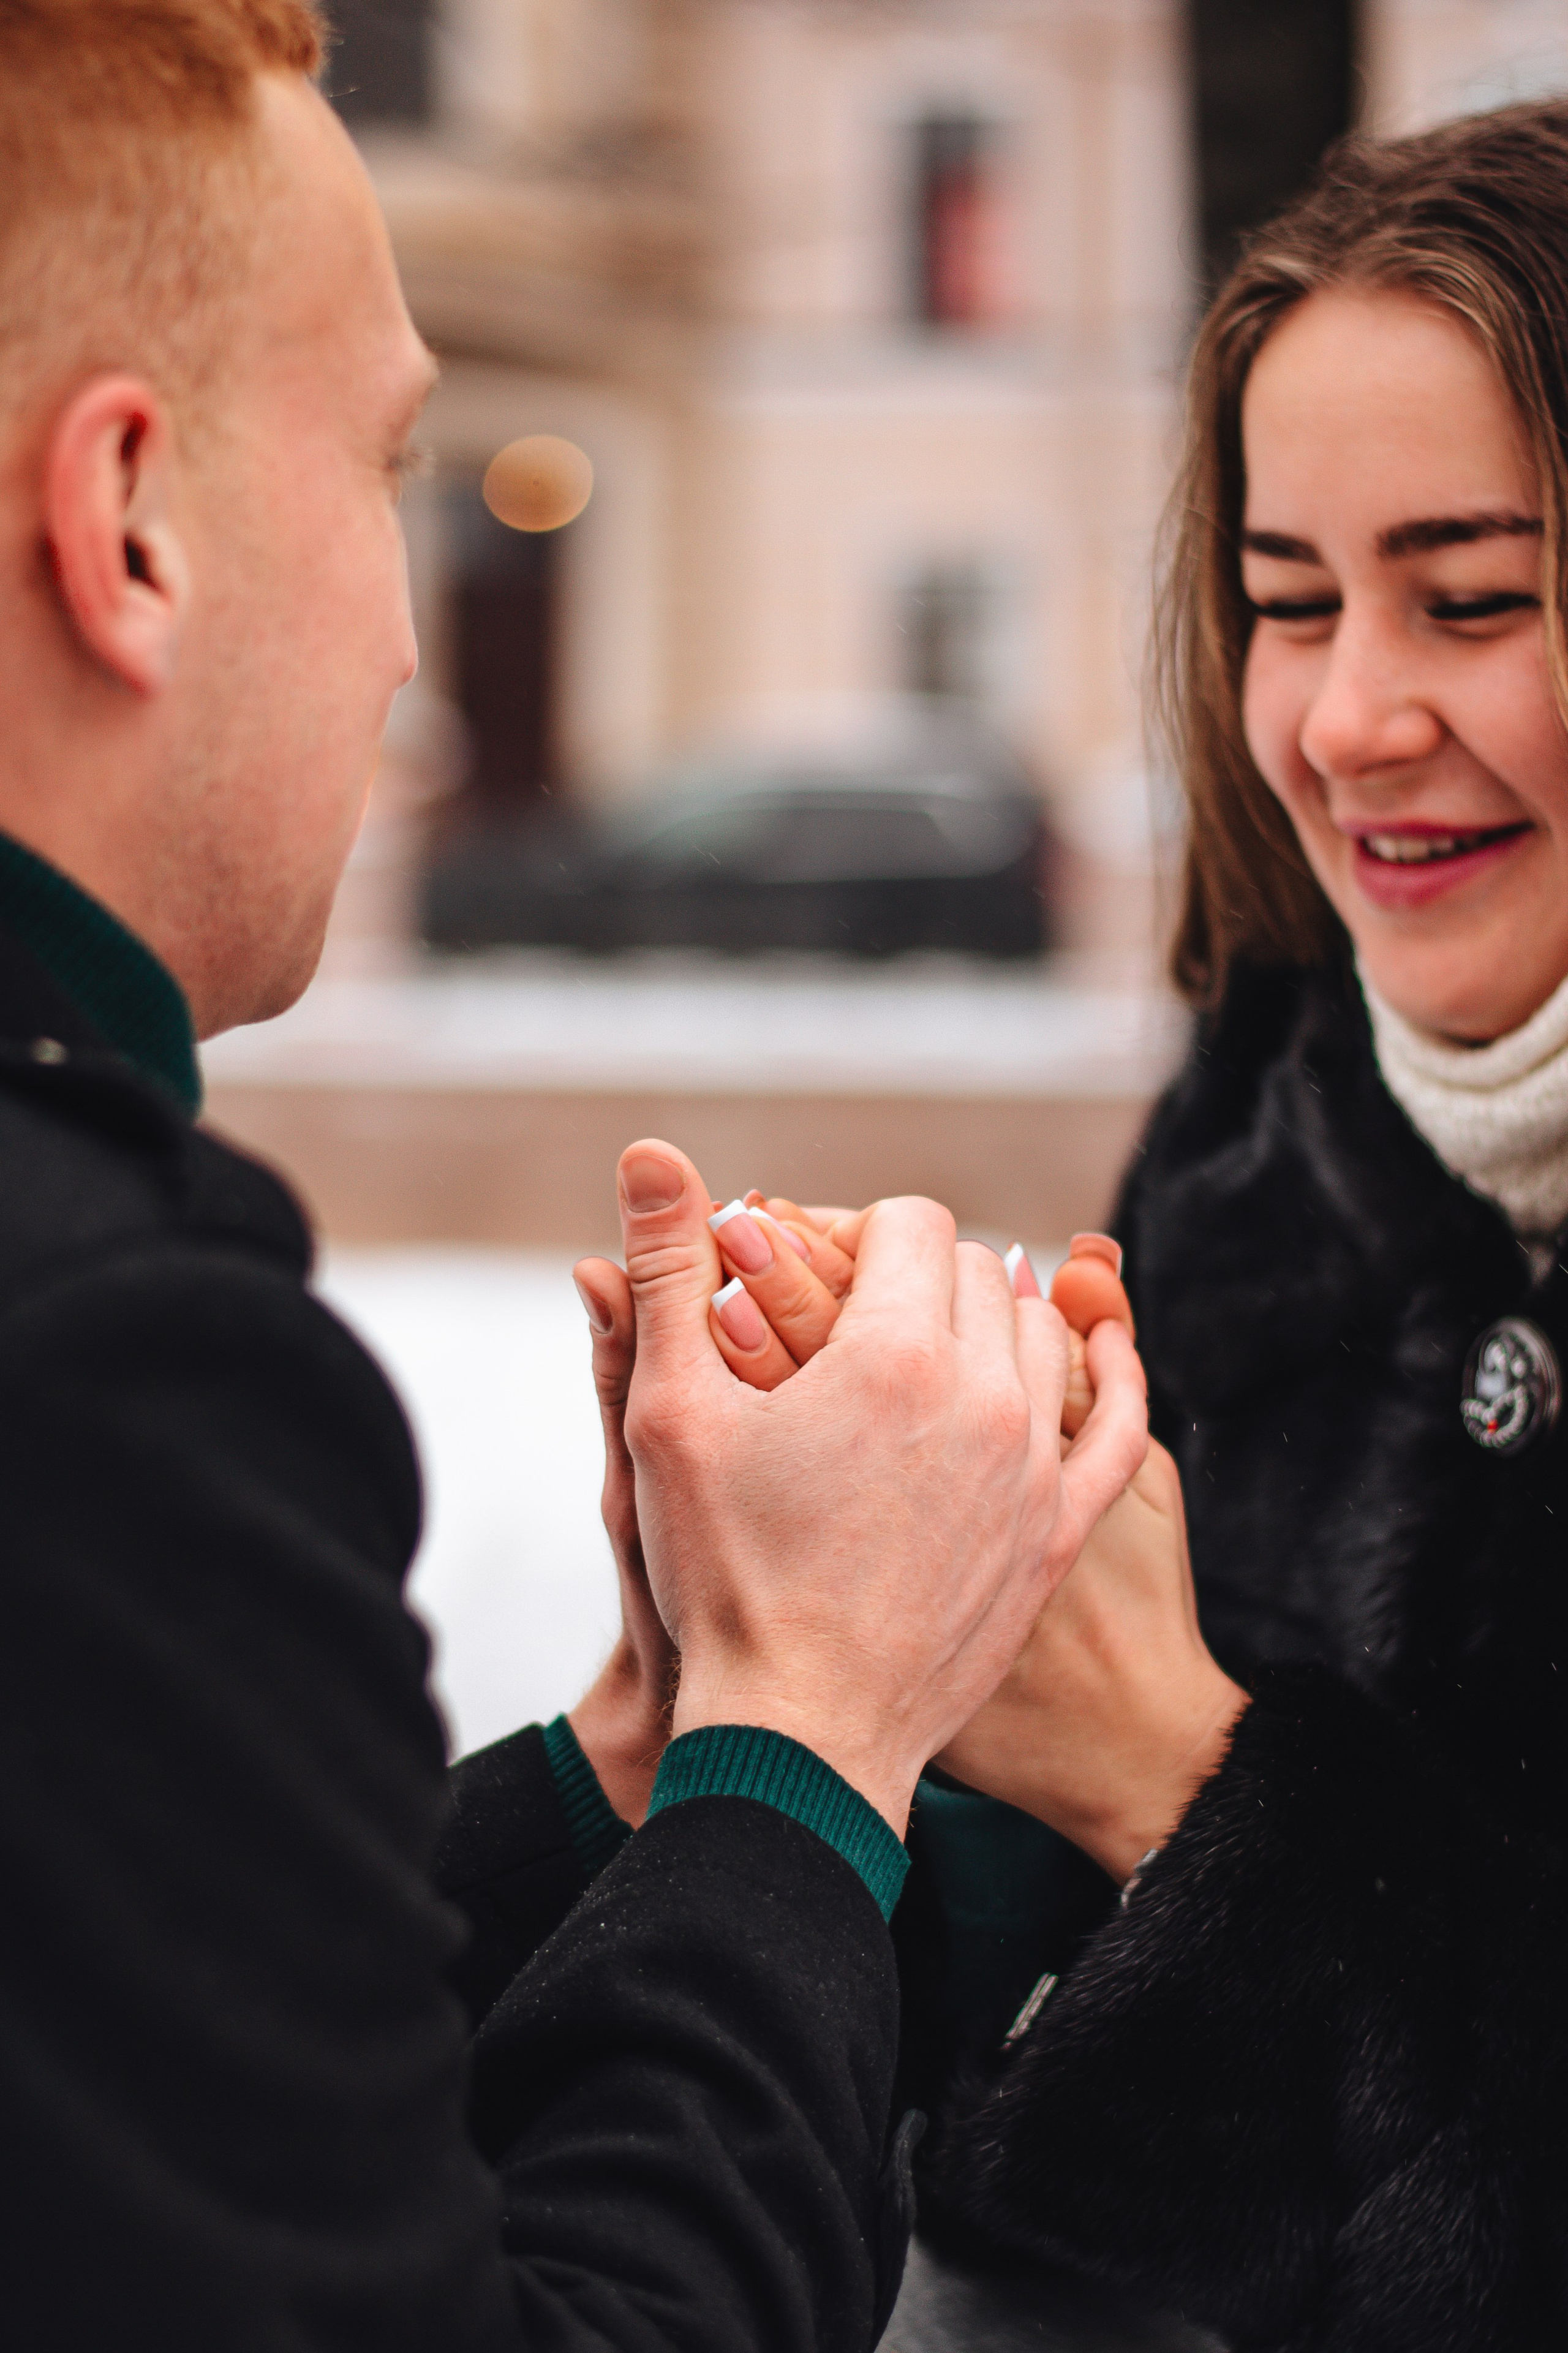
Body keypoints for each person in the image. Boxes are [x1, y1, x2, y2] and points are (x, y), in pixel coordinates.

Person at [0, 6, 1153, 2346]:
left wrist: (643, 1760)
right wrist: (817, 1726)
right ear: (126, 521)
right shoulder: (102, 1358)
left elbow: (148, 2108)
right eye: (385, 467)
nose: (420, 626)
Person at [672, 100, 1568, 2349]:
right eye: (1289, 607)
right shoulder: (1264, 1155)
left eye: (1476, 600)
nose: (1351, 717)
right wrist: (848, 1655)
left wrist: (1179, 1765)